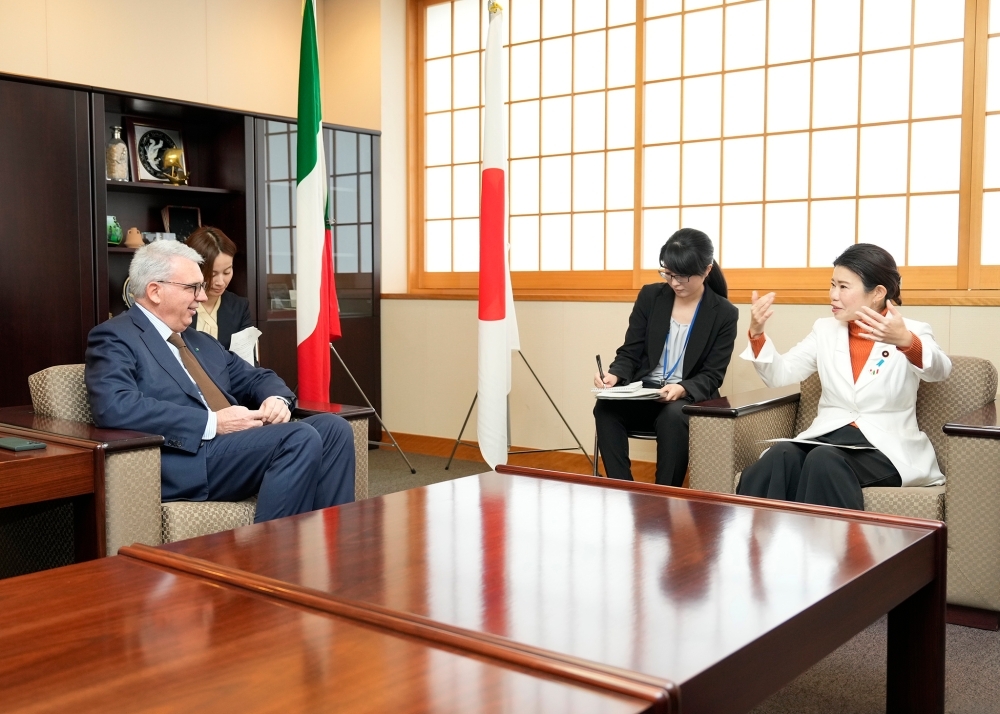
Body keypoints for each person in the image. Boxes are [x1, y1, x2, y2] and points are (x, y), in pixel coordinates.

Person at [85, 240, 355, 523]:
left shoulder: (201, 341)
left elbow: (256, 377)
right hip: (188, 456)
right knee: (298, 436)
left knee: (333, 428)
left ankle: (331, 549)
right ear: (155, 291)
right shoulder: (115, 337)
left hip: (235, 448)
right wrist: (213, 423)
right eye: (192, 288)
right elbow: (115, 406)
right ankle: (274, 561)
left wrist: (276, 399)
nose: (202, 297)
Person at [736, 243, 952, 510]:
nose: (833, 295)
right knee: (781, 454)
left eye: (843, 287)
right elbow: (780, 375)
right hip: (829, 435)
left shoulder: (911, 330)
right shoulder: (825, 329)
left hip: (884, 446)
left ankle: (835, 551)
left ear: (877, 293)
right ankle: (753, 543)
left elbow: (940, 371)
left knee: (823, 460)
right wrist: (757, 334)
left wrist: (907, 341)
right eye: (832, 284)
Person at [594, 228, 739, 487]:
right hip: (644, 393)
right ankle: (622, 490)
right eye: (669, 273)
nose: (675, 283)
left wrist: (683, 388)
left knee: (672, 417)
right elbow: (631, 351)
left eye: (683, 276)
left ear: (706, 270)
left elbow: (712, 375)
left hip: (684, 399)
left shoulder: (724, 313)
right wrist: (614, 375)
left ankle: (664, 496)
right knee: (605, 408)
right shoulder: (651, 297)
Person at [185, 226, 252, 351]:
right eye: (212, 274)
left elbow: (247, 361)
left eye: (227, 272)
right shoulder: (177, 304)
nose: (220, 282)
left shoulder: (239, 307)